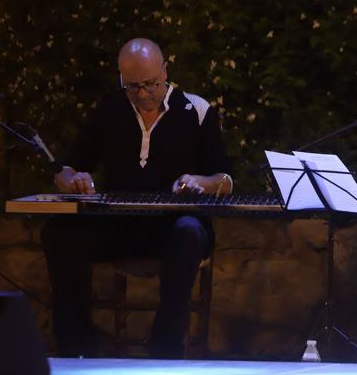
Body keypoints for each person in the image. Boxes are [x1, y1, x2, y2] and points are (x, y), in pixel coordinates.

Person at [41, 38, 232, 359]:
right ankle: (76, 350)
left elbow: (225, 180)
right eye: (132, 86)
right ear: (120, 79)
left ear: (165, 71)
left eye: (150, 84)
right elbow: (66, 167)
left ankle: (164, 351)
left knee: (189, 233)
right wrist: (73, 179)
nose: (142, 94)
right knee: (59, 233)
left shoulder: (197, 110)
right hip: (117, 224)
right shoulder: (110, 110)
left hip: (173, 228)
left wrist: (199, 181)